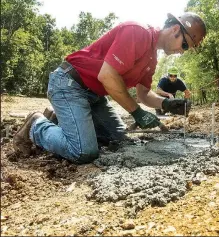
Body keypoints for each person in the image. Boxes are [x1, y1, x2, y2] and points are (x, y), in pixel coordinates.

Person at [13, 12, 206, 164]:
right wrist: (137, 112)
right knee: (83, 151)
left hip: (94, 96)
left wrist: (167, 104)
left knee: (120, 141)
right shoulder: (137, 32)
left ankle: (62, 120)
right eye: (186, 45)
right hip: (69, 84)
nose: (182, 51)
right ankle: (36, 125)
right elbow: (107, 76)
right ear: (175, 29)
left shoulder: (152, 59)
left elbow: (144, 94)